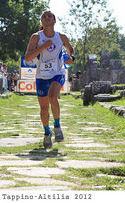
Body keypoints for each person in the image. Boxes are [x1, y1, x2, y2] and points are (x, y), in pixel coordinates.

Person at [25, 10, 75, 149]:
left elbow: (71, 50)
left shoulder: (61, 37)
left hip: (57, 73)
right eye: (44, 16)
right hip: (41, 75)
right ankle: (47, 133)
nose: (47, 18)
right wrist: (42, 47)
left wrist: (72, 58)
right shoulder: (36, 37)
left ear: (54, 20)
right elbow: (28, 57)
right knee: (44, 108)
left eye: (50, 16)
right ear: (42, 22)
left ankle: (57, 126)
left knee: (53, 96)